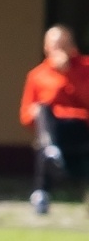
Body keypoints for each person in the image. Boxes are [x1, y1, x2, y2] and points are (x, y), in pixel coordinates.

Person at [20, 25, 89, 215]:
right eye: (54, 46)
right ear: (46, 48)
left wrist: (67, 74)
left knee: (46, 145)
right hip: (52, 129)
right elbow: (25, 115)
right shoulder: (37, 76)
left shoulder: (85, 69)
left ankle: (50, 150)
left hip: (81, 126)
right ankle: (42, 190)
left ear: (72, 46)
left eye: (63, 45)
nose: (59, 50)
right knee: (42, 111)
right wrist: (36, 113)